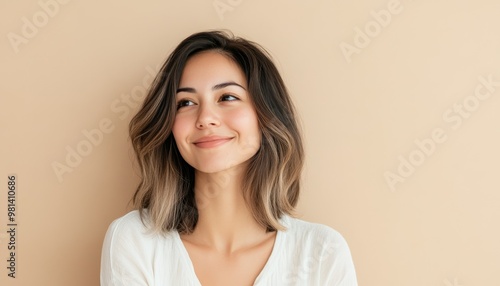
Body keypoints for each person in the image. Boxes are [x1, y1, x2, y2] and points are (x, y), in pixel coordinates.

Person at [100, 30, 358, 286]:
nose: (205, 119)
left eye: (228, 97)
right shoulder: (135, 240)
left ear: (266, 116)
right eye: (186, 103)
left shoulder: (323, 252)